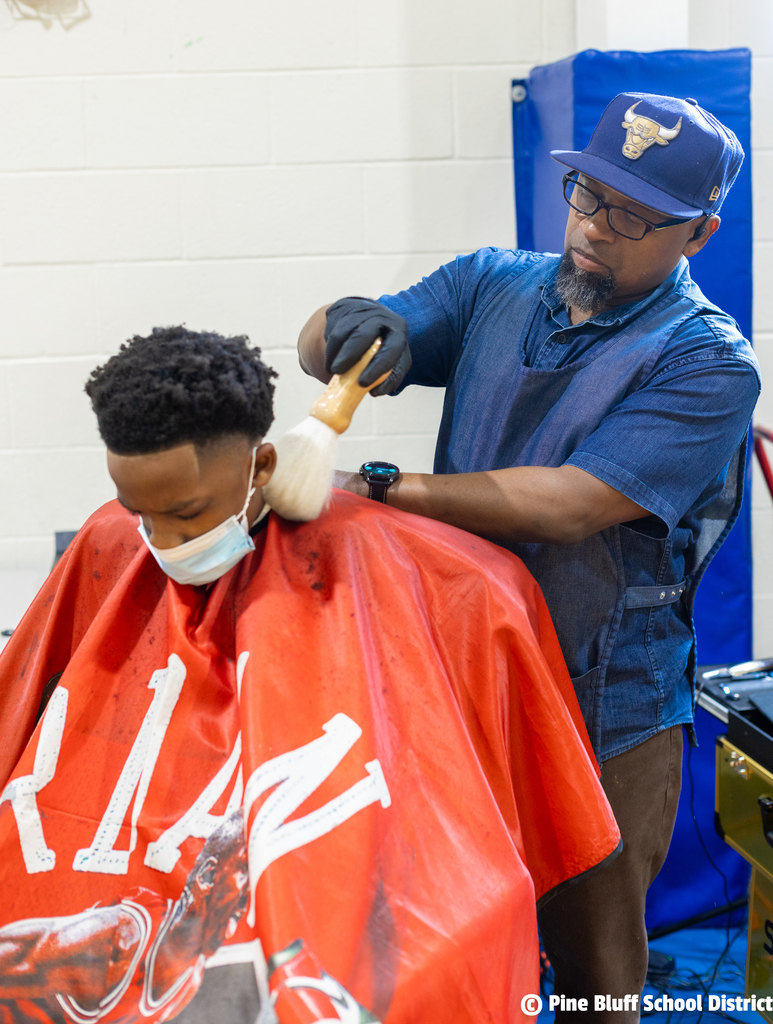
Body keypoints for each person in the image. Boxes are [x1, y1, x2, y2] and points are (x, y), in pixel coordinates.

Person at [0, 327, 620, 1024]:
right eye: (138, 511)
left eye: (185, 514)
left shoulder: (410, 568)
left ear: (261, 465)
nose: (164, 545)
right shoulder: (109, 543)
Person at [297, 92, 761, 1020]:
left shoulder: (706, 361)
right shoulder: (491, 284)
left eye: (633, 217)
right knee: (456, 947)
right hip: (458, 689)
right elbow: (331, 347)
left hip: (605, 707)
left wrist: (378, 489)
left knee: (596, 979)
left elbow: (570, 505)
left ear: (698, 235)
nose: (596, 231)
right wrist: (342, 324)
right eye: (587, 197)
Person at [0, 811, 248, 1024]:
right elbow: (10, 955)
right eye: (246, 872)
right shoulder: (121, 936)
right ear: (206, 877)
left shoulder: (190, 981)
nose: (251, 896)